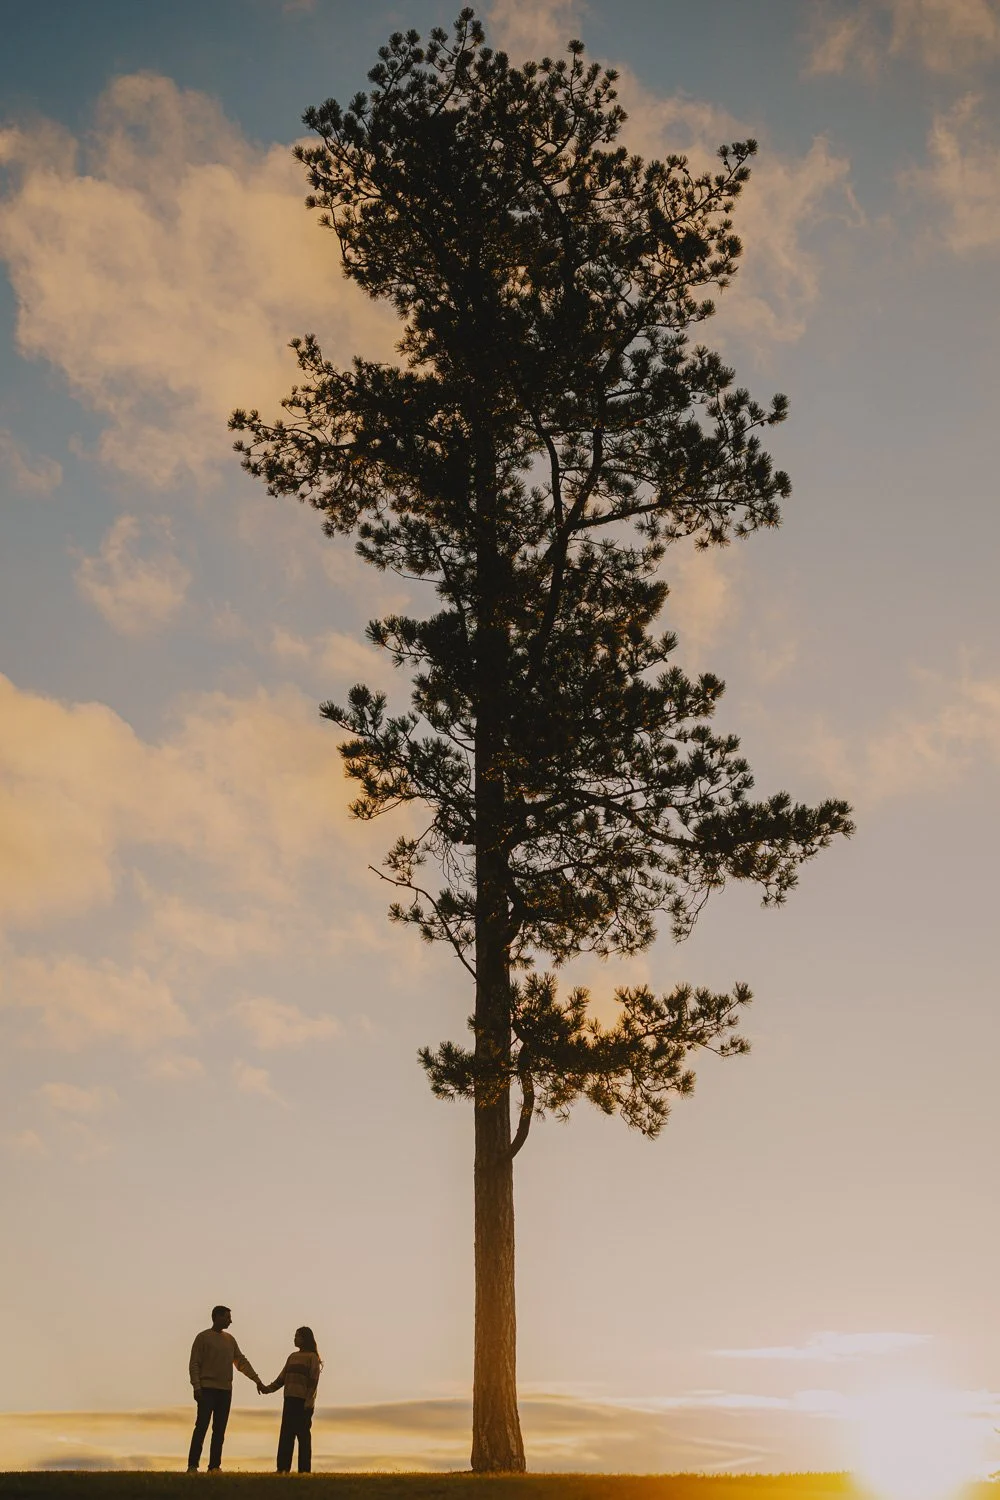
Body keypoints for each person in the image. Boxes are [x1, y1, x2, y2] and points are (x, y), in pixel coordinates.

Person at [187, 1304, 264, 1473]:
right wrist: (196, 1386)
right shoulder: (203, 1337)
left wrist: (256, 1380)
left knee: (219, 1430)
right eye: (227, 1317)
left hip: (225, 1390)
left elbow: (241, 1362)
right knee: (201, 1427)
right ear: (217, 1317)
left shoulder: (230, 1340)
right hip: (207, 1388)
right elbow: (194, 1364)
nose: (230, 1321)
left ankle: (214, 1466)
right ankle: (192, 1465)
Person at [260, 1326, 323, 1473]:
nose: (295, 1338)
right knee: (286, 1435)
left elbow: (313, 1381)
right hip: (289, 1400)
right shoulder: (292, 1357)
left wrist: (309, 1401)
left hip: (303, 1402)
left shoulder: (312, 1358)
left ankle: (304, 1470)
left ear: (305, 1338)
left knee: (303, 1437)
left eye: (298, 1336)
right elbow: (282, 1378)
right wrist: (267, 1388)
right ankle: (282, 1468)